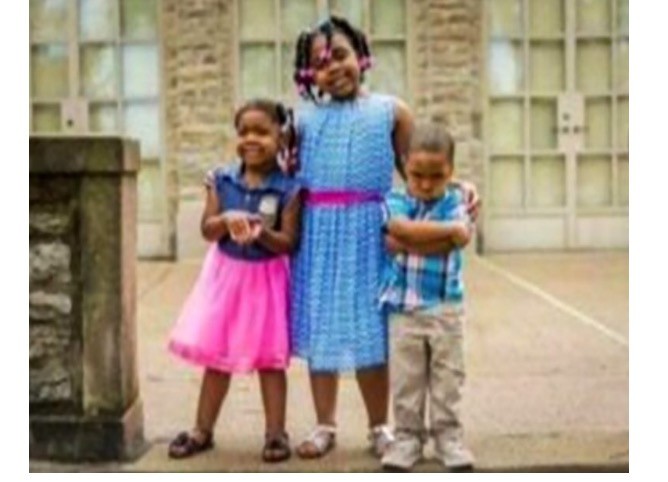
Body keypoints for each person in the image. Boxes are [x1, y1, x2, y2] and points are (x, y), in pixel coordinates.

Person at [288, 15, 479, 459]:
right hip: (320, 237)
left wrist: (460, 188)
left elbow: (418, 170)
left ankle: (379, 426)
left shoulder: (390, 112)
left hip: (370, 234)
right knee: (323, 330)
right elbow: (282, 180)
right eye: (320, 63)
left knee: (371, 332)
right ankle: (324, 424)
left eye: (340, 55)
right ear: (309, 74)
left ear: (361, 56)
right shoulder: (303, 122)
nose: (333, 68)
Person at [166, 99, 303, 463]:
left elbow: (289, 242)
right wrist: (227, 219)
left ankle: (276, 433)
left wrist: (261, 233)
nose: (251, 139)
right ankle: (202, 429)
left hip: (266, 281)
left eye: (262, 132)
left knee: (270, 360)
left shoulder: (289, 189)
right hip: (225, 278)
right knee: (217, 355)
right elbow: (207, 230)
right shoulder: (221, 180)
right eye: (244, 132)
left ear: (280, 137)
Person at [379, 123, 475, 472]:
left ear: (451, 170)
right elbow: (399, 228)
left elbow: (456, 242)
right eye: (417, 175)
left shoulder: (457, 200)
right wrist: (447, 232)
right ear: (405, 164)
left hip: (446, 306)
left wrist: (408, 242)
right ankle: (407, 438)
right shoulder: (396, 199)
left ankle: (449, 438)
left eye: (437, 176)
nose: (425, 184)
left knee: (448, 377)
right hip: (404, 307)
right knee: (407, 379)